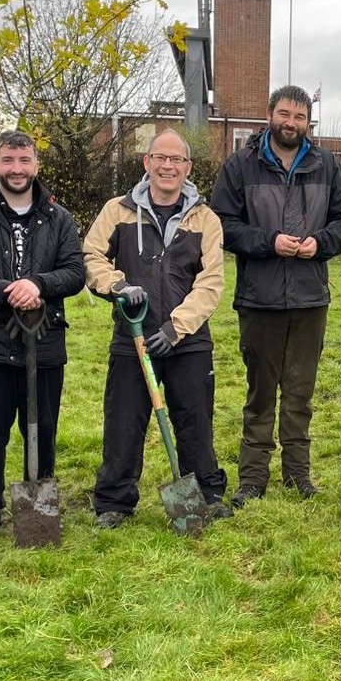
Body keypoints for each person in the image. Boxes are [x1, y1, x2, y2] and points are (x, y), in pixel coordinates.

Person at [210, 86, 341, 505]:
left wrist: (322, 242)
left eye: (299, 116)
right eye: (284, 114)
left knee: (300, 392)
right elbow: (221, 224)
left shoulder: (326, 165)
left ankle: (298, 475)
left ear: (308, 122)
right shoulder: (241, 166)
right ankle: (253, 479)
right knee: (260, 393)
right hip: (259, 298)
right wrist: (267, 242)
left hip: (310, 298)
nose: (290, 122)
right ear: (269, 114)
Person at [0, 131, 86, 539]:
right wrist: (8, 290)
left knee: (41, 427)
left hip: (44, 339)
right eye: (8, 160)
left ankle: (39, 504)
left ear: (36, 165)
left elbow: (75, 272)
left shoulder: (58, 218)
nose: (17, 169)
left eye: (24, 160)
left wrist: (38, 284)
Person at [84, 129, 228, 528]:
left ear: (188, 168)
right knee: (124, 422)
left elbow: (211, 282)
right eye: (160, 158)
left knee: (195, 422)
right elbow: (92, 255)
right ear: (146, 163)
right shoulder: (118, 210)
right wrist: (117, 286)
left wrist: (176, 328)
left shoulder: (206, 220)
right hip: (133, 336)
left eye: (176, 160)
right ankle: (114, 502)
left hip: (188, 341)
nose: (168, 166)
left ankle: (207, 496)